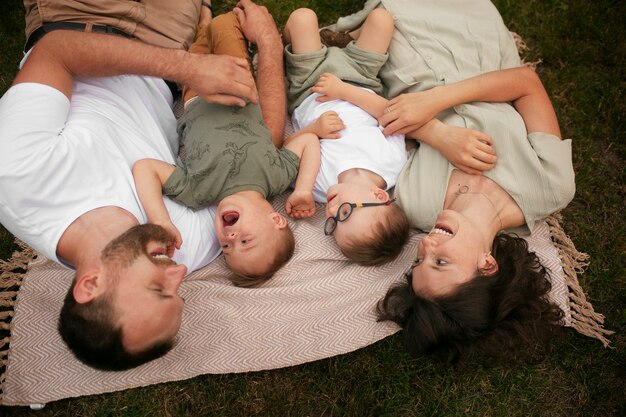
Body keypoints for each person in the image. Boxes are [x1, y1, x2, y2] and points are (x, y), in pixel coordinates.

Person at [0, 0, 266, 371]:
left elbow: (56, 51)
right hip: (168, 44)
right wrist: (265, 43)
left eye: (158, 289)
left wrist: (190, 67)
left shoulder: (17, 180)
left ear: (91, 285)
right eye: (178, 294)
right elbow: (254, 159)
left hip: (81, 17)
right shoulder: (185, 245)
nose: (178, 274)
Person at [329, 0, 575, 361]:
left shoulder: (416, 204)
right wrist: (438, 101)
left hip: (401, 49)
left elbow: (392, 128)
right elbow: (526, 84)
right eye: (441, 263)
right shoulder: (551, 186)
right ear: (487, 265)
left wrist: (438, 133)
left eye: (418, 263)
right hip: (470, 35)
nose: (427, 247)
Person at [132, 8, 320, 287]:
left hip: (194, 91)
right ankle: (215, 16)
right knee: (223, 26)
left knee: (196, 40)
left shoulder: (199, 193)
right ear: (276, 219)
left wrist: (159, 219)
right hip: (235, 79)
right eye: (246, 240)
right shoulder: (276, 177)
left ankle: (203, 14)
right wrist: (304, 190)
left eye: (228, 249)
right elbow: (308, 142)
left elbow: (145, 169)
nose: (230, 239)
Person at [281, 8, 413, 266]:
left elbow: (288, 147)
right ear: (379, 197)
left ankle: (313, 40)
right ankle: (343, 39)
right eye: (344, 213)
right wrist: (343, 90)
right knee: (382, 20)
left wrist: (314, 130)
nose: (330, 211)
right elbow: (387, 112)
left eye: (332, 223)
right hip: (360, 79)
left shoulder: (319, 187)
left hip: (311, 85)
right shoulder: (391, 164)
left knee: (302, 17)